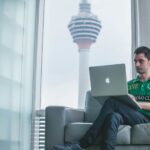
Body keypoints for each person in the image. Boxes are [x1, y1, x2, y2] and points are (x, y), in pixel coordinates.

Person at [53, 46, 150, 150]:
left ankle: (83, 144)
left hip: (145, 118)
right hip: (129, 115)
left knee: (112, 103)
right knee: (113, 117)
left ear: (149, 62)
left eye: (141, 61)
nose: (137, 64)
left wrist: (137, 103)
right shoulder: (129, 84)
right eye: (135, 61)